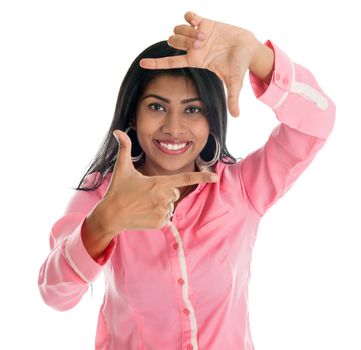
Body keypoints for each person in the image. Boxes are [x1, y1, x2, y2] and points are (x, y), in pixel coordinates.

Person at [38, 11, 336, 350]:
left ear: (212, 118)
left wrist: (257, 55)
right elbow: (55, 295)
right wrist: (104, 222)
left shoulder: (242, 188)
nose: (174, 128)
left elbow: (317, 119)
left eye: (192, 109)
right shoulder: (104, 195)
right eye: (157, 107)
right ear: (133, 115)